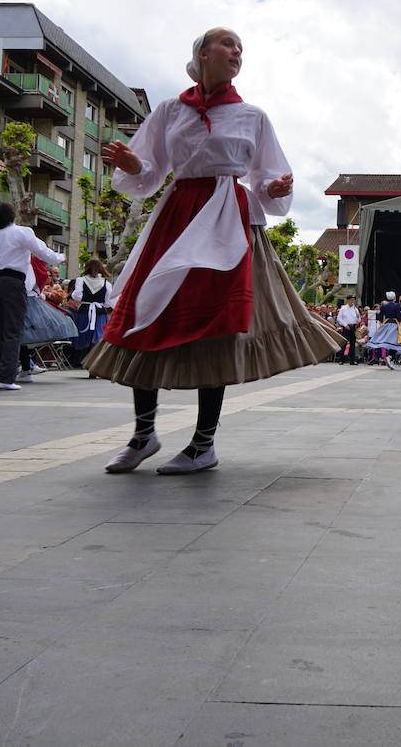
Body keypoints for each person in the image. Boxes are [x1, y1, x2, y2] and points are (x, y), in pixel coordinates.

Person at [87, 29, 341, 474]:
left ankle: (203, 443)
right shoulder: (170, 110)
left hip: (228, 218)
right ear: (202, 54)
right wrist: (133, 164)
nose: (236, 51)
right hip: (178, 214)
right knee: (147, 310)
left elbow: (266, 175)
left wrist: (273, 188)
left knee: (217, 325)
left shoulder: (252, 116)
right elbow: (150, 172)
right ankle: (144, 435)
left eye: (240, 47)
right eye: (227, 44)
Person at [0, 202, 65, 390]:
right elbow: (43, 253)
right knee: (14, 330)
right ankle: (5, 378)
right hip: (14, 282)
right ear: (11, 215)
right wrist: (60, 257)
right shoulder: (22, 232)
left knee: (2, 328)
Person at [69, 258, 112, 367]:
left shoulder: (81, 280)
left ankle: (82, 361)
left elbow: (77, 296)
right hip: (100, 312)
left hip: (84, 311)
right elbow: (108, 302)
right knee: (98, 336)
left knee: (83, 335)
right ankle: (95, 362)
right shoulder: (106, 283)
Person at [365, 290, 401, 369]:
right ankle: (390, 357)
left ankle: (389, 357)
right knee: (397, 342)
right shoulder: (397, 305)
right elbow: (398, 316)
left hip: (386, 323)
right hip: (394, 324)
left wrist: (378, 318)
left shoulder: (384, 306)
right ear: (394, 298)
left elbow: (380, 317)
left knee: (385, 340)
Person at [336, 295, 361, 364]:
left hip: (353, 327)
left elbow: (359, 320)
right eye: (351, 300)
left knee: (352, 344)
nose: (352, 301)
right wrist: (345, 325)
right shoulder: (343, 308)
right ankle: (342, 360)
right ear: (348, 300)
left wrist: (358, 317)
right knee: (344, 344)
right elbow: (339, 318)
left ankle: (352, 360)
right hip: (346, 327)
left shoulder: (355, 309)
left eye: (353, 300)